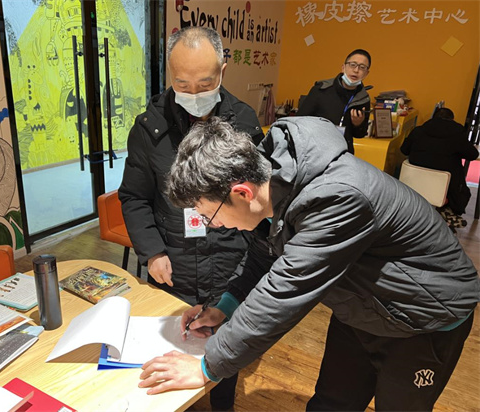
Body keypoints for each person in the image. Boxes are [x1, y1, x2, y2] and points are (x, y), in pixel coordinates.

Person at [138, 116, 479, 411]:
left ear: (242, 193)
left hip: (425, 316)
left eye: (209, 215)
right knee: (331, 403)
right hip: (361, 305)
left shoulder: (337, 197)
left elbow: (284, 292)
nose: (213, 225)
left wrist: (207, 366)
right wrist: (224, 308)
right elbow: (263, 255)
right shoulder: (274, 179)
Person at [118, 26, 264, 410]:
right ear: (169, 73)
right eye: (182, 83)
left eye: (205, 83)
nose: (194, 94)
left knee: (224, 343)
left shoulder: (244, 121)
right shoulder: (149, 128)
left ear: (222, 71)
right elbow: (134, 196)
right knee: (173, 346)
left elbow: (255, 202)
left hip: (230, 258)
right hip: (174, 258)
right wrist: (152, 252)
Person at [401, 107, 479, 223]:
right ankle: (444, 212)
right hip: (443, 191)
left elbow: (404, 150)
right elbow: (473, 155)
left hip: (413, 186)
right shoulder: (457, 135)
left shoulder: (418, 131)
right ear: (451, 120)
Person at [296, 49, 372, 154]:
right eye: (352, 65)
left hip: (343, 154)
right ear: (343, 67)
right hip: (314, 151)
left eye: (362, 67)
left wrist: (358, 124)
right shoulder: (321, 89)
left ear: (366, 73)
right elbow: (299, 121)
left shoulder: (363, 98)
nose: (356, 70)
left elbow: (360, 134)